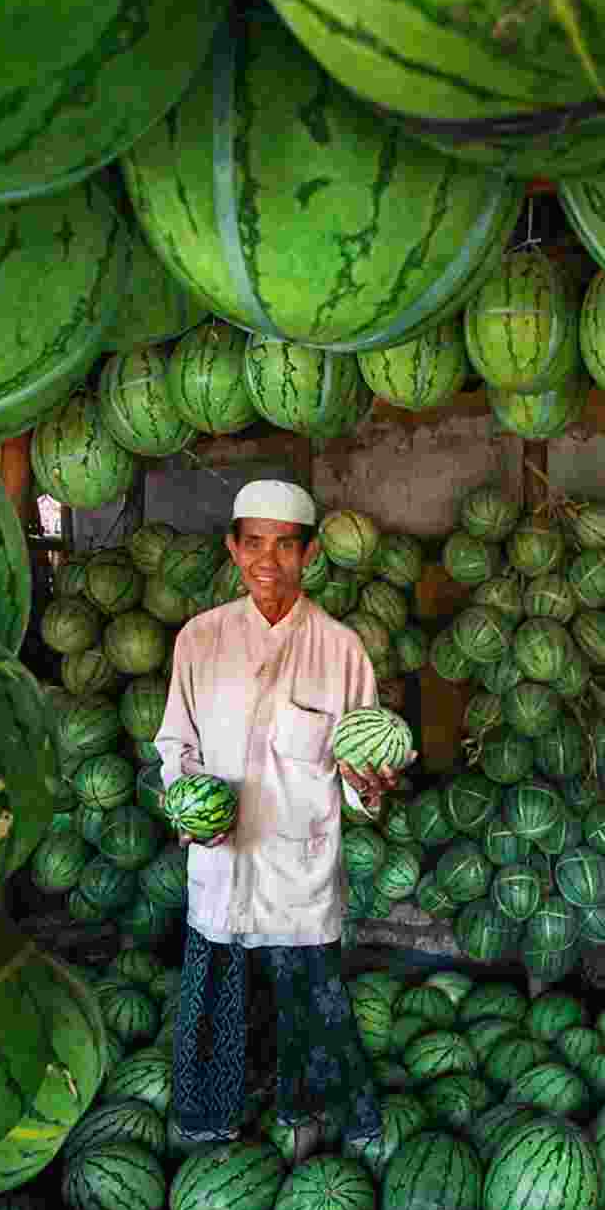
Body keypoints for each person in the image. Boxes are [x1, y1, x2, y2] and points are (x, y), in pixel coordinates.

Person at [155, 479, 403, 1162]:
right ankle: (214, 1123)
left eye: (286, 545)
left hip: (298, 871)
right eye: (255, 543)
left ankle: (309, 1125)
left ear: (310, 553)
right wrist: (186, 803)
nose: (270, 560)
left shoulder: (341, 649)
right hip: (221, 864)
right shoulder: (199, 641)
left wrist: (369, 785)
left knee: (309, 1008)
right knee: (218, 1001)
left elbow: (360, 770)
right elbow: (177, 744)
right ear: (234, 549)